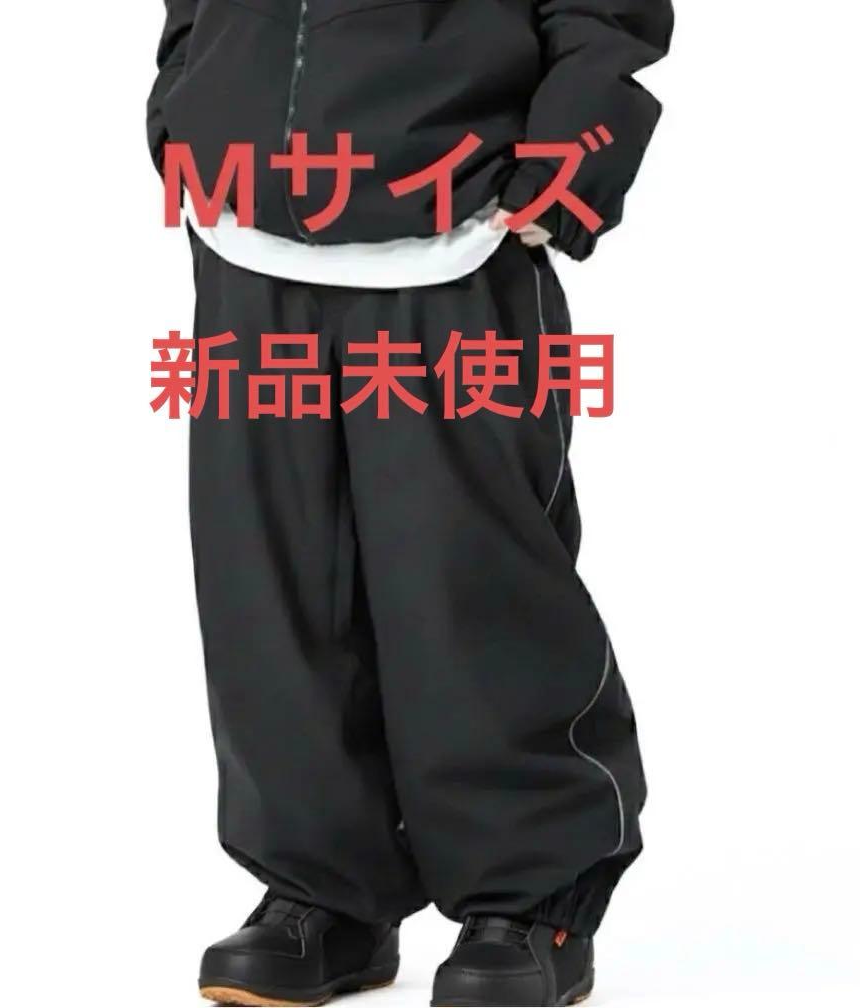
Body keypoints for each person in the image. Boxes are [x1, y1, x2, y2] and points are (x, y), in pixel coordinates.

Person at [146, 2, 673, 1004]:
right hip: (244, 216)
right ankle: (325, 892)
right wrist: (185, 103)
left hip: (456, 212)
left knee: (465, 574)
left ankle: (535, 901)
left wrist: (572, 156)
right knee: (274, 583)